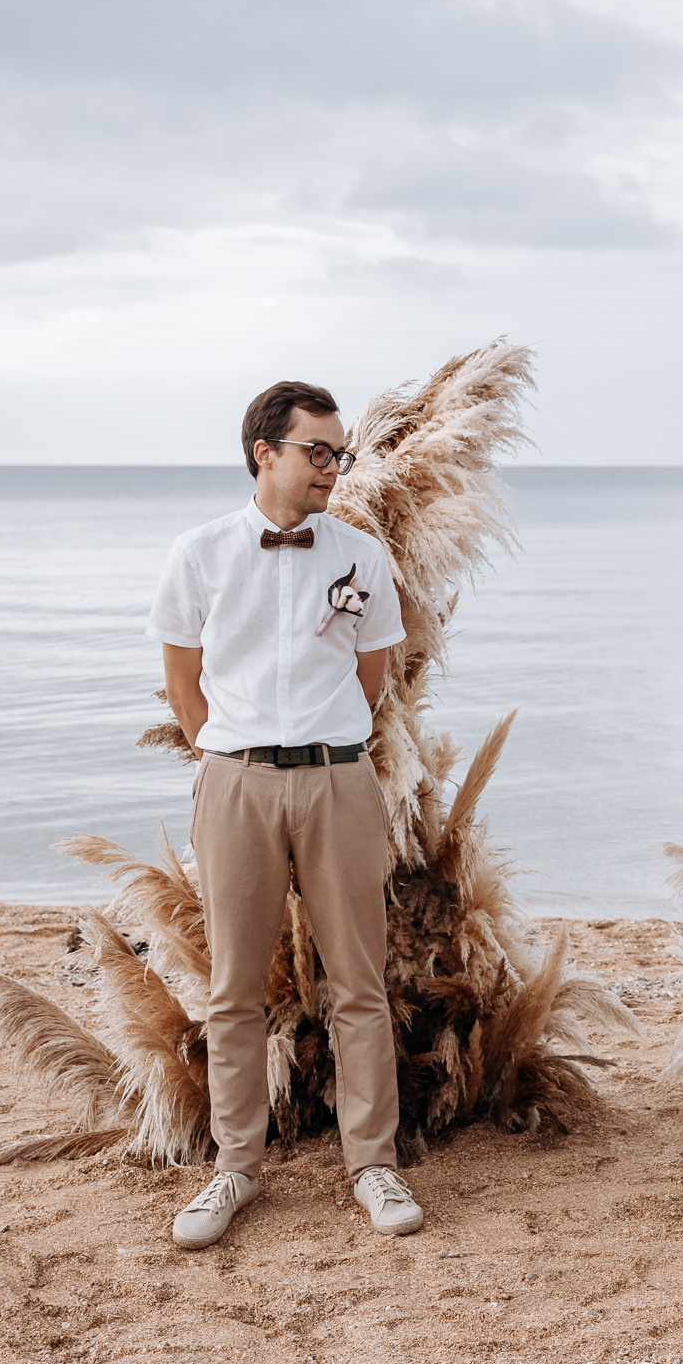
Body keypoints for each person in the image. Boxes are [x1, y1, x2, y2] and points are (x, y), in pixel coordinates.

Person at [145, 380, 424, 1249]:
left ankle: (372, 1164)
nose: (333, 468)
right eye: (317, 451)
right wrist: (230, 759)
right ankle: (234, 1170)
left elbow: (372, 677)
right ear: (265, 452)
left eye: (339, 454)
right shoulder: (198, 555)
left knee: (359, 983)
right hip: (236, 786)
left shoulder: (362, 556)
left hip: (339, 782)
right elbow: (183, 681)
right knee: (233, 990)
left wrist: (323, 750)